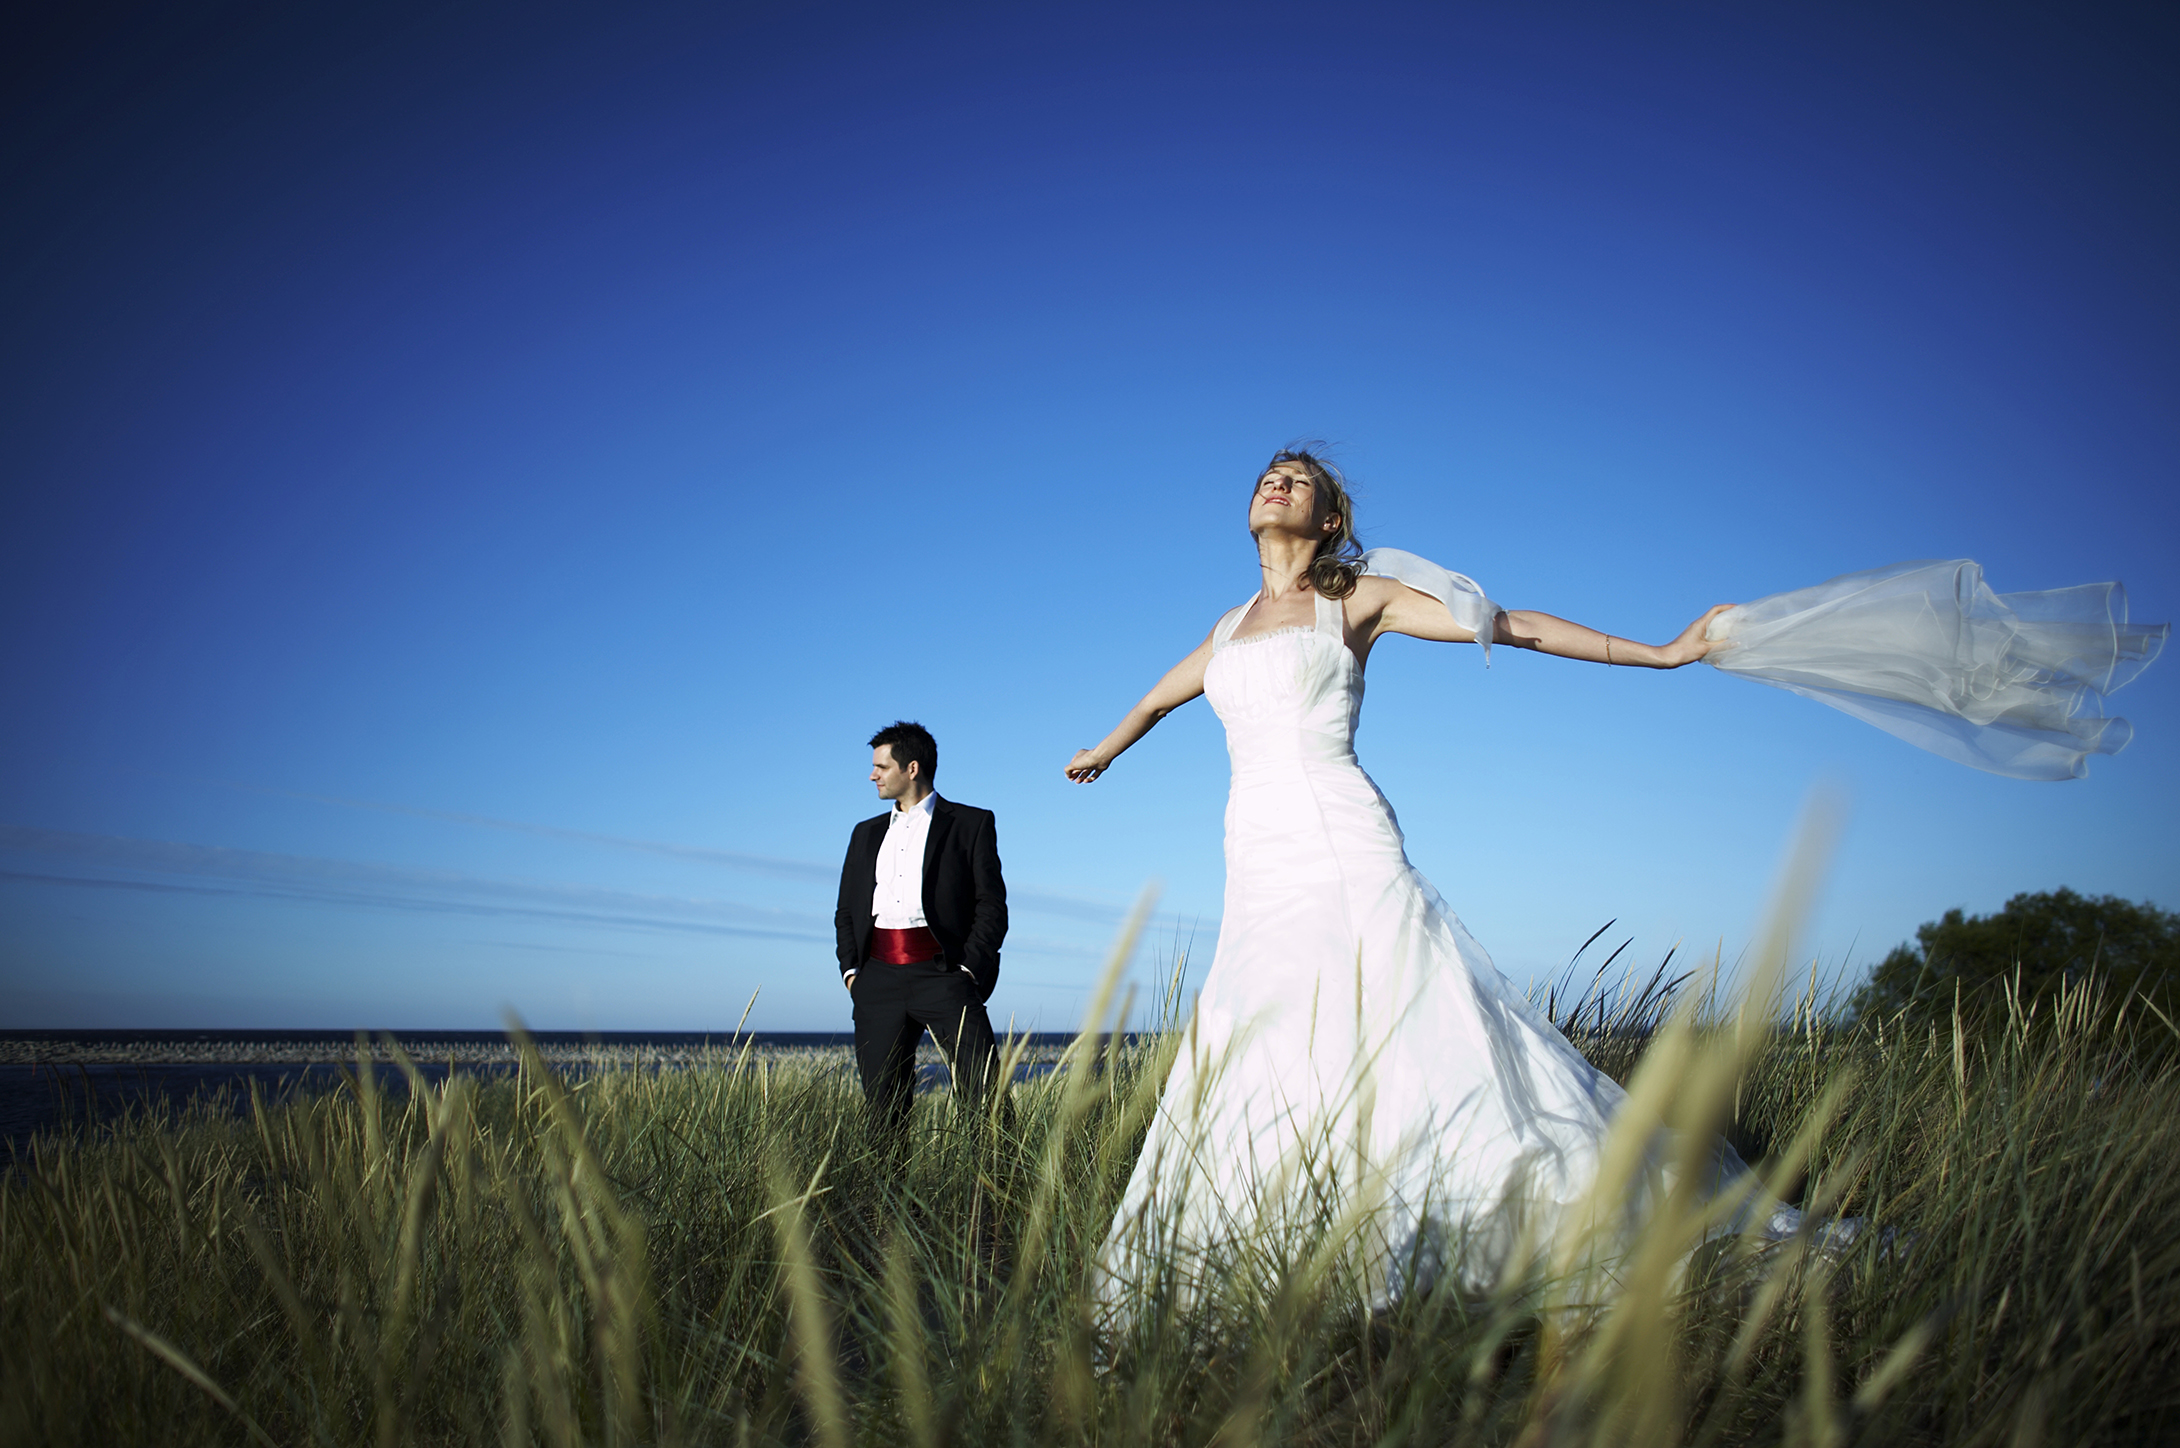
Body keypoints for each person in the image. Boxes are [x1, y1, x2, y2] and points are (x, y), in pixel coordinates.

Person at [1063, 447, 1740, 1307]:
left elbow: (1510, 625)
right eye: (1269, 475)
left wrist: (1664, 653)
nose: (1276, 482)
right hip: (1256, 856)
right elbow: (1161, 697)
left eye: (1298, 480)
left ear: (1329, 519)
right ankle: (1299, 1242)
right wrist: (1105, 749)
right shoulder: (1228, 626)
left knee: (1397, 1007)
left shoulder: (1354, 598)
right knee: (1269, 1033)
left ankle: (1479, 1214)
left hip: (1341, 837)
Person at [836, 720, 1008, 1130]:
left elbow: (991, 905)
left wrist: (968, 969)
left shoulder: (970, 823)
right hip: (876, 979)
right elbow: (846, 909)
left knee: (985, 1098)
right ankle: (884, 1179)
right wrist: (852, 973)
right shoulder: (864, 833)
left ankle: (996, 1175)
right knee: (882, 1111)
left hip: (945, 974)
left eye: (881, 766)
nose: (873, 775)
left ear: (911, 768)